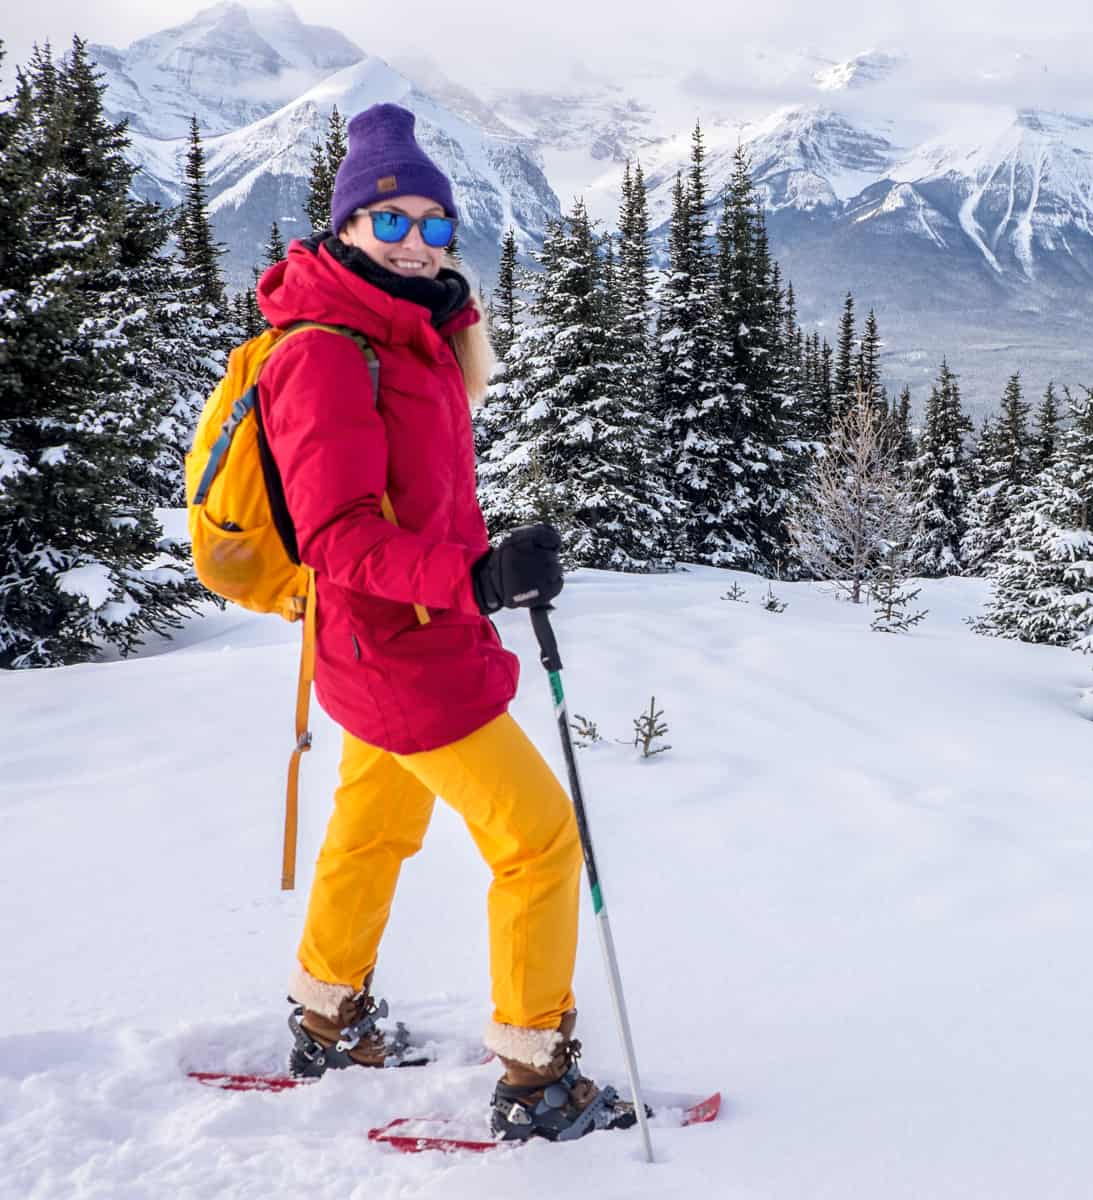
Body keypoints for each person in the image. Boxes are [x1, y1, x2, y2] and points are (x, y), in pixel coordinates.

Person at [255, 102, 612, 1142]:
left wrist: (483, 566)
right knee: (541, 842)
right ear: (347, 226)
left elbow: (420, 497)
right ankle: (536, 1078)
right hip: (404, 649)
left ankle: (326, 1012)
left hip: (394, 645)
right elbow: (339, 537)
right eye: (392, 221)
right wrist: (479, 577)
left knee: (376, 823)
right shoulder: (325, 351)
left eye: (434, 223)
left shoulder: (411, 334)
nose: (417, 243)